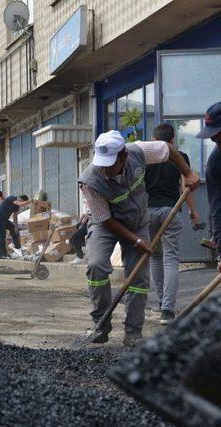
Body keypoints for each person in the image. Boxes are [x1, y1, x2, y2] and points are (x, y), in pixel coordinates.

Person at [78, 130, 199, 347]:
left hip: (137, 220)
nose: (104, 168)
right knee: (96, 266)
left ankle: (133, 331)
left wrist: (187, 173)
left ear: (123, 156)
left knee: (140, 277)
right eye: (101, 163)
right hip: (106, 224)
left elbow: (168, 149)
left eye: (110, 163)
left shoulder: (138, 151)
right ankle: (100, 325)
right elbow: (105, 219)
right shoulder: (89, 179)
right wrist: (135, 241)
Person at [144, 123, 200, 325]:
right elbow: (186, 187)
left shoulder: (146, 157)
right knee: (170, 259)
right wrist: (193, 212)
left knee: (155, 257)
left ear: (153, 139)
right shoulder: (181, 157)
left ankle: (161, 303)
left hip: (148, 212)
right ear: (172, 141)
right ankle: (167, 310)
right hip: (171, 210)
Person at [197, 102, 221, 273]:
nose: (217, 143)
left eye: (220, 136)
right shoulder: (215, 165)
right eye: (213, 139)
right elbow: (217, 209)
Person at [0, 194, 31, 259]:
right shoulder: (12, 198)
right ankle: (3, 254)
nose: (23, 206)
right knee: (2, 236)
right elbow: (20, 204)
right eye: (23, 203)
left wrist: (16, 226)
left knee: (13, 228)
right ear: (20, 199)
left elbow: (15, 216)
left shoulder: (17, 207)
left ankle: (17, 247)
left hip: (4, 219)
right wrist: (31, 201)